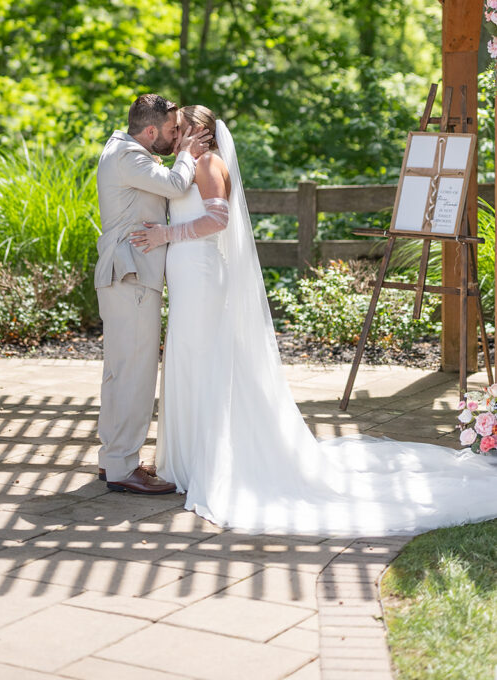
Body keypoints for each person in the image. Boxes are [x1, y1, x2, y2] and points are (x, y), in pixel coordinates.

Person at [131, 105, 497, 536]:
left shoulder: (209, 163)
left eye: (181, 129)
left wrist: (164, 235)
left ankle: (209, 462)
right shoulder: (187, 163)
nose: (174, 136)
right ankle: (186, 457)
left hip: (202, 273)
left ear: (202, 133)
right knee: (188, 360)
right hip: (189, 276)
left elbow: (218, 218)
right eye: (174, 131)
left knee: (204, 361)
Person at [95, 93, 210, 495]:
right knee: (134, 374)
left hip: (125, 275)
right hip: (130, 275)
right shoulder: (131, 157)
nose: (176, 135)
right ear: (150, 130)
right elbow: (177, 185)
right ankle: (123, 467)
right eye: (172, 130)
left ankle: (114, 458)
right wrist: (190, 153)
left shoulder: (122, 150)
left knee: (121, 371)